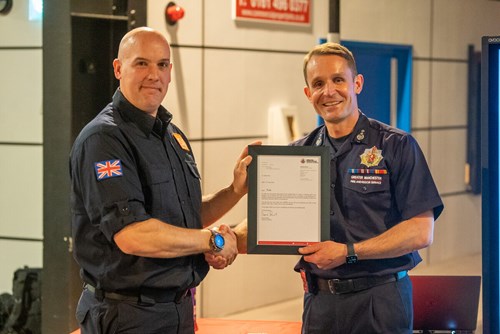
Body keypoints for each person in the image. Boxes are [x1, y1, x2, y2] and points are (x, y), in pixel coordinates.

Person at [236, 43, 444, 334]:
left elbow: (421, 231)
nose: (329, 91)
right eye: (318, 83)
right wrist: (224, 240)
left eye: (338, 80)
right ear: (308, 94)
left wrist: (348, 252)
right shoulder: (298, 152)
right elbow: (269, 223)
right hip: (319, 304)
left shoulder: (396, 146)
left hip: (379, 301)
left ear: (356, 83)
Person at [69, 27, 257, 334]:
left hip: (177, 309)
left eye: (162, 64)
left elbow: (186, 218)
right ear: (119, 68)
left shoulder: (171, 136)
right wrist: (215, 240)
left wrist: (235, 191)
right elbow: (132, 235)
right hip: (128, 315)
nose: (154, 75)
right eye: (141, 63)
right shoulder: (104, 139)